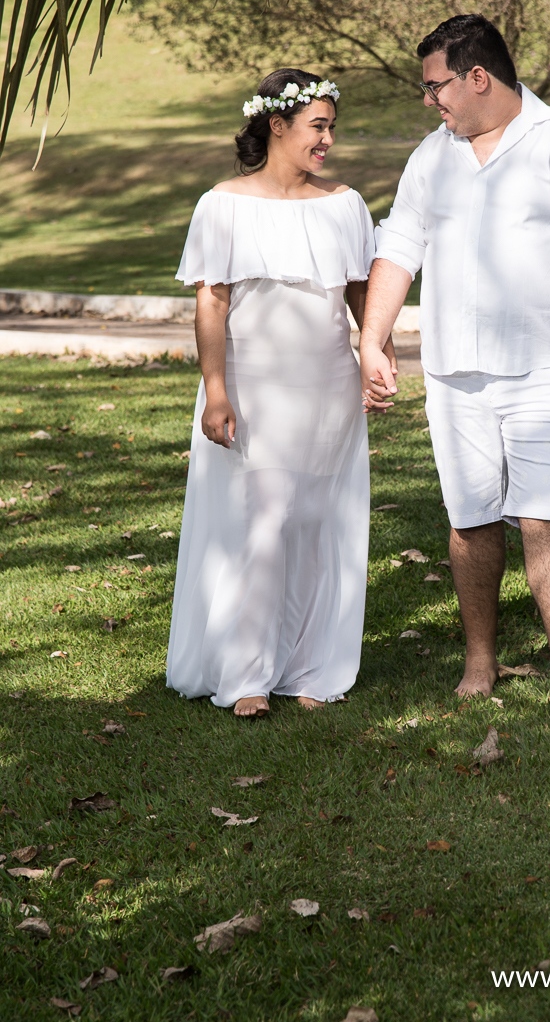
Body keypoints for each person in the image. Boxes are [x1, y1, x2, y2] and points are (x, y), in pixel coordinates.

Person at [359, 15, 550, 711]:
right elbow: (398, 249)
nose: (429, 101)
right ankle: (479, 662)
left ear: (477, 78)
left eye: (436, 87)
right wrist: (373, 340)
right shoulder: (431, 157)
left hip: (545, 371)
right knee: (469, 522)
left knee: (546, 516)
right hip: (452, 373)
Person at [166, 69, 395, 717]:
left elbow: (360, 291)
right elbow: (211, 302)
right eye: (316, 126)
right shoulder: (223, 204)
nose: (327, 140)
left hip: (328, 386)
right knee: (262, 521)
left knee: (318, 522)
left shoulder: (344, 203)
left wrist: (377, 354)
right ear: (277, 126)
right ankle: (245, 676)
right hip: (253, 383)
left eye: (330, 127)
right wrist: (215, 391)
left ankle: (308, 666)